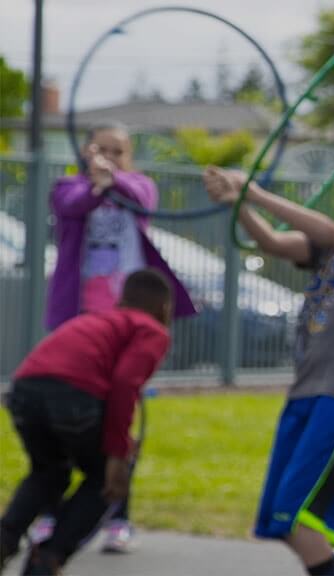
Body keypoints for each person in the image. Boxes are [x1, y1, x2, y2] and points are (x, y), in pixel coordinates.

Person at [203, 160, 334, 576]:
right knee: (280, 518)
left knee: (299, 516)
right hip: (306, 393)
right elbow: (274, 243)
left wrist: (255, 192)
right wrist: (236, 202)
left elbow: (330, 231)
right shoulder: (333, 250)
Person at [36, 122, 197, 554]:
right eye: (100, 149)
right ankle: (52, 514)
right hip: (80, 322)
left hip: (126, 325)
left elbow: (141, 198)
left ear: (130, 157)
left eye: (117, 151)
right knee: (67, 420)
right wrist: (96, 183)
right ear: (86, 153)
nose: (108, 156)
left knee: (122, 415)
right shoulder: (68, 187)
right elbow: (72, 205)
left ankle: (118, 516)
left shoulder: (137, 186)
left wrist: (114, 180)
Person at [0, 269, 174, 575]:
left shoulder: (97, 320)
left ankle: (4, 540)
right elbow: (124, 383)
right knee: (104, 480)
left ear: (122, 299)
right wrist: (118, 454)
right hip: (74, 395)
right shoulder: (152, 329)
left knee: (49, 472)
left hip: (25, 390)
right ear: (164, 308)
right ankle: (49, 558)